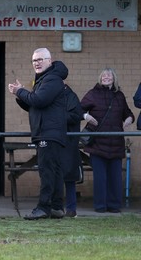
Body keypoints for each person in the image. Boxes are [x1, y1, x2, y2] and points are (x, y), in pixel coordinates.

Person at [8, 48, 67, 220]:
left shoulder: (52, 79)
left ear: (50, 60)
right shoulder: (44, 80)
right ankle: (56, 208)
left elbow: (39, 100)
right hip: (47, 132)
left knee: (47, 171)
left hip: (48, 133)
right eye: (34, 60)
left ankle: (43, 208)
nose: (37, 63)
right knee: (54, 171)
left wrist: (20, 91)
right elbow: (34, 105)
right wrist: (20, 95)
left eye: (41, 59)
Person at [80, 68, 134, 213]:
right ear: (100, 78)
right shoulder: (92, 94)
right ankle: (100, 206)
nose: (106, 77)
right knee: (100, 178)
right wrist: (86, 116)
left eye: (109, 75)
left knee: (115, 177)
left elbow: (128, 113)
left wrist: (129, 119)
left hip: (116, 142)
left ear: (114, 78)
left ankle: (114, 206)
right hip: (97, 143)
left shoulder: (119, 96)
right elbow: (77, 109)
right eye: (103, 75)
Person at [62, 83, 83, 218]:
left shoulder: (71, 97)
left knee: (69, 177)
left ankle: (71, 209)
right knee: (55, 177)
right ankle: (57, 207)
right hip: (60, 141)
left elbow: (76, 116)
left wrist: (56, 117)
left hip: (68, 143)